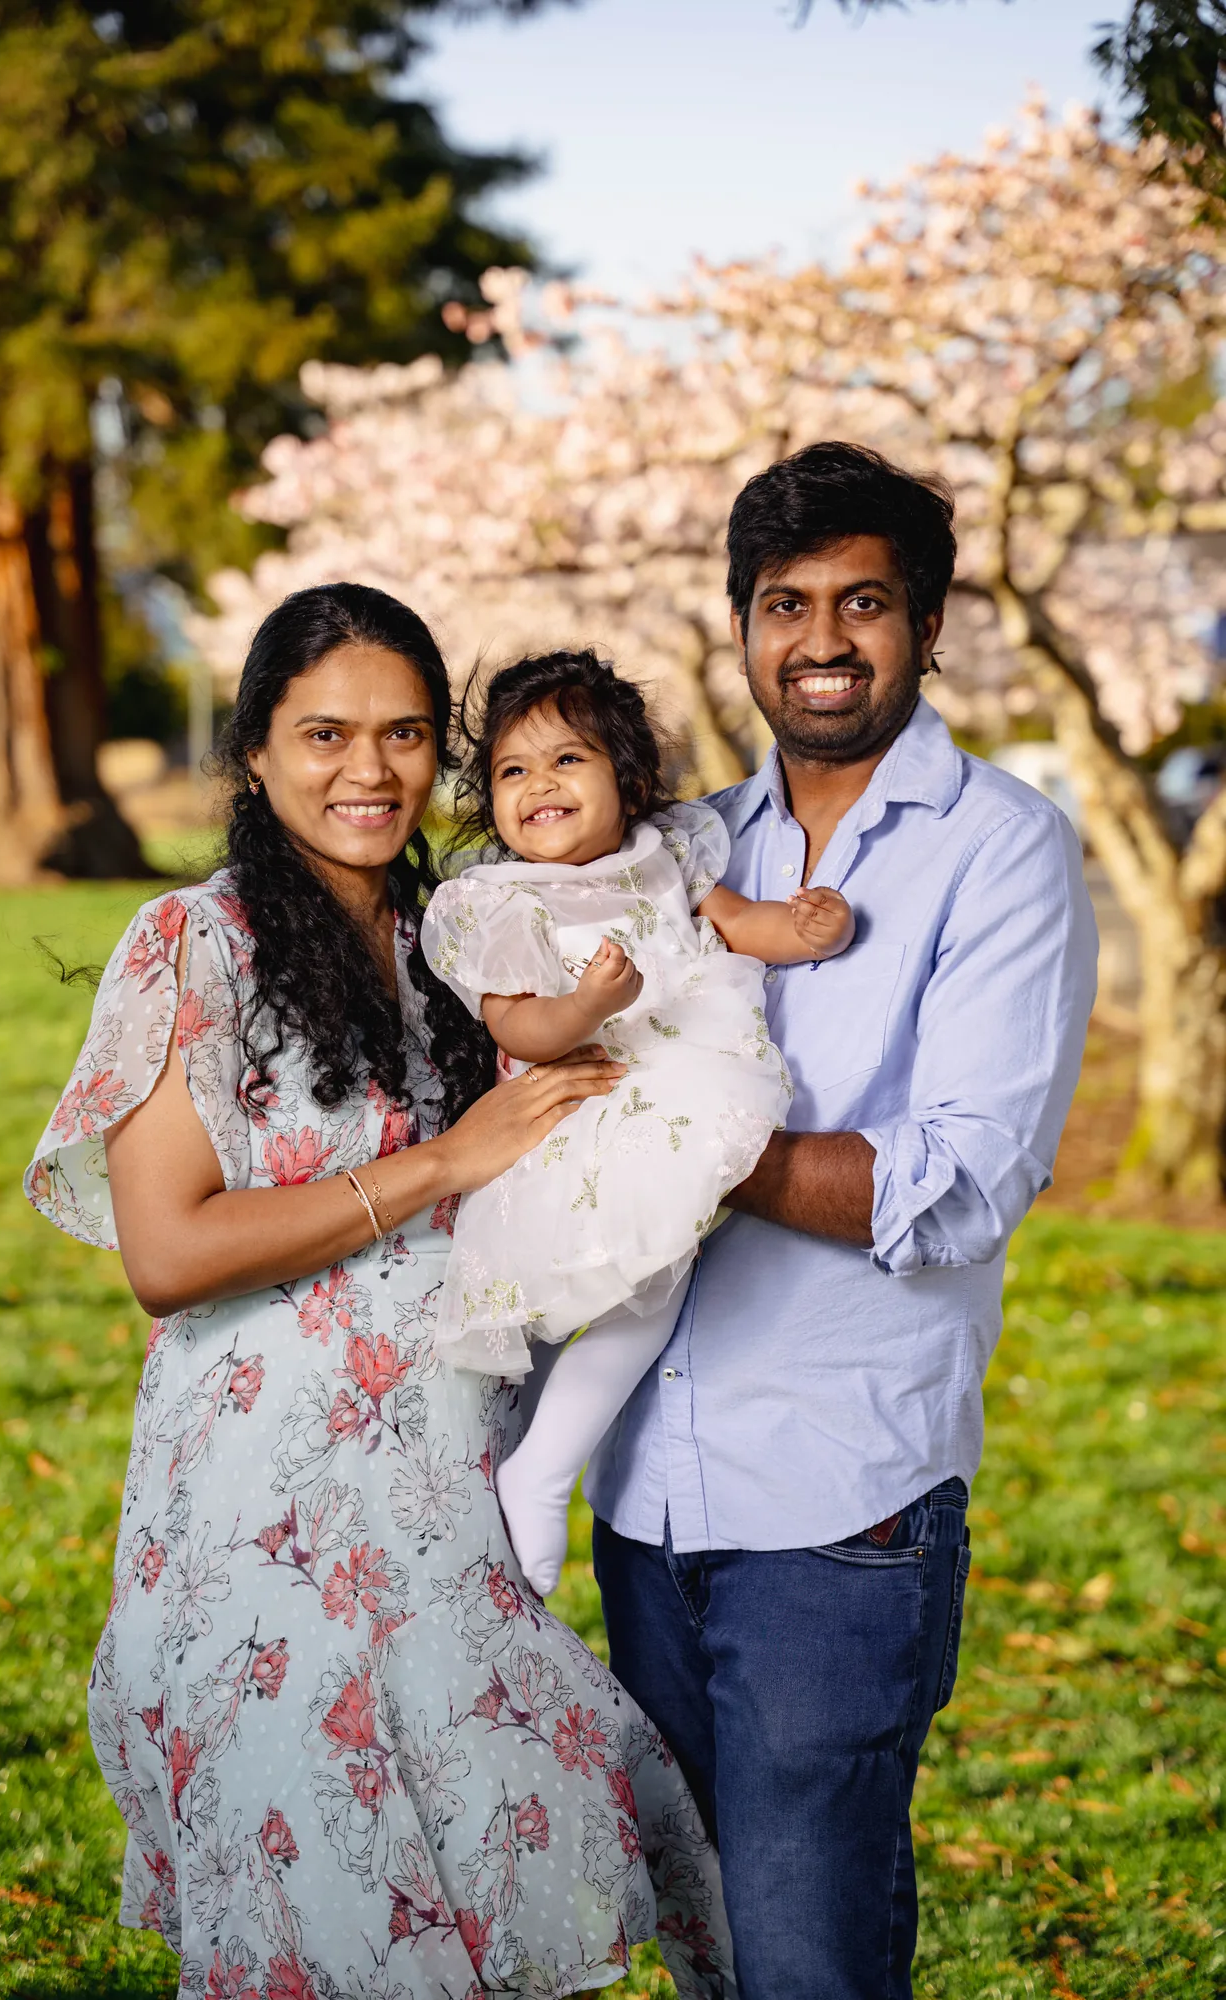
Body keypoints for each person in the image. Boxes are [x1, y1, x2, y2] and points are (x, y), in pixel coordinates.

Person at [24, 584, 737, 2000]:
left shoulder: (460, 938)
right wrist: (441, 1165)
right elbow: (167, 1254)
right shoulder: (197, 943)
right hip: (267, 1509)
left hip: (448, 1485)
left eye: (405, 734)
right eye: (325, 734)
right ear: (254, 751)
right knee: (326, 1907)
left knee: (472, 1883)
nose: (370, 770)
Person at [585, 443, 1099, 2000]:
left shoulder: (1000, 849)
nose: (820, 639)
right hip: (642, 1494)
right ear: (742, 628)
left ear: (927, 626)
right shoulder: (681, 851)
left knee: (808, 1962)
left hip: (839, 1507)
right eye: (784, 604)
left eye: (862, 603)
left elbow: (959, 1185)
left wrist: (678, 1131)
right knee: (707, 1951)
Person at [422, 650, 851, 1597]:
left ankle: (545, 1472)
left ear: (630, 777)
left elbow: (741, 925)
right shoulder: (500, 901)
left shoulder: (666, 856)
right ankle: (491, 1484)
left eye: (567, 760)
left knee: (643, 1296)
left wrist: (808, 929)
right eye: (512, 770)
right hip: (576, 1121)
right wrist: (584, 1005)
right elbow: (519, 1028)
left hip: (676, 1103)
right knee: (538, 1317)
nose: (539, 785)